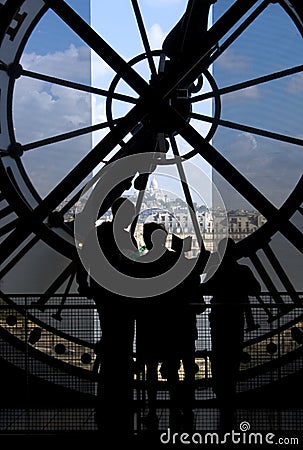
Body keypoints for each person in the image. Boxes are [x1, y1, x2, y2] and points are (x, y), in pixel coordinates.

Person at [76, 196, 138, 439]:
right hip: (123, 295)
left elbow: (84, 260)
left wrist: (84, 283)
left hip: (105, 293)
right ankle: (121, 392)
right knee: (122, 341)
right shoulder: (125, 237)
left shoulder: (99, 233)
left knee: (113, 339)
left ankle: (110, 393)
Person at [135, 222, 205, 431]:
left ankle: (153, 410)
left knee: (150, 370)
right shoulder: (177, 261)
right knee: (173, 369)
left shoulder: (142, 262)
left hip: (150, 323)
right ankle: (177, 409)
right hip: (174, 323)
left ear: (147, 239)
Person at [203, 237, 261, 431]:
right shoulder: (243, 271)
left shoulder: (215, 271)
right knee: (232, 358)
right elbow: (256, 289)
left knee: (219, 357)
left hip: (219, 319)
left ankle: (221, 393)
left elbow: (205, 288)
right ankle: (228, 396)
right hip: (235, 320)